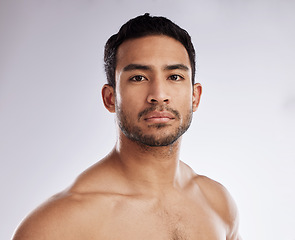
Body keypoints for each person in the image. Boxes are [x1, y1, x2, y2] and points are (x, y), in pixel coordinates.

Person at [13, 13, 241, 240]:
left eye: (174, 76)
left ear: (195, 96)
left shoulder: (217, 203)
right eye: (138, 78)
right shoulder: (59, 226)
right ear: (110, 98)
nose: (158, 95)